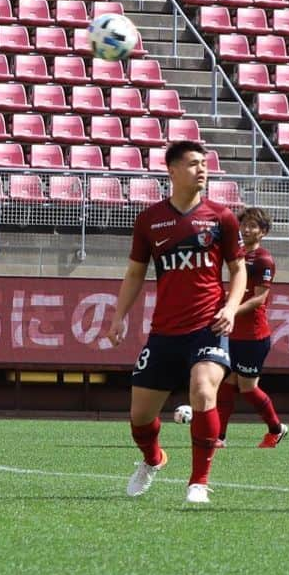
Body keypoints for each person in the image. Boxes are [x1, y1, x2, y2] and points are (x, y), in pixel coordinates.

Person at [106, 140, 246, 506]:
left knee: (203, 389)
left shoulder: (222, 217)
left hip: (208, 328)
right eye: (194, 164)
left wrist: (230, 308)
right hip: (165, 332)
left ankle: (198, 482)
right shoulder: (151, 219)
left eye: (205, 164)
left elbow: (238, 270)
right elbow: (136, 272)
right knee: (139, 418)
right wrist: (119, 316)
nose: (203, 170)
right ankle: (153, 458)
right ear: (172, 171)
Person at [215, 206, 289, 449]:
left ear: (263, 232)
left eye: (253, 226)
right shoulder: (237, 254)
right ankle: (219, 437)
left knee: (247, 388)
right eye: (244, 224)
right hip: (232, 331)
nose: (246, 229)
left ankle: (276, 429)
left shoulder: (263, 259)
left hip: (253, 336)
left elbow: (260, 298)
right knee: (225, 384)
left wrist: (231, 309)